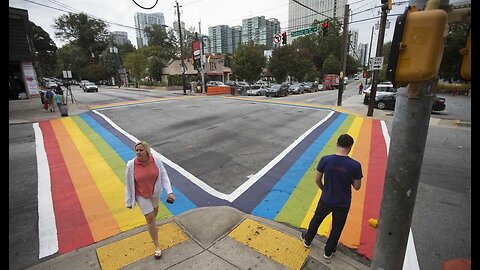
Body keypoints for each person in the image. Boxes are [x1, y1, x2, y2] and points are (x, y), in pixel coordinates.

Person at [300, 134, 363, 259]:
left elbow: (317, 179)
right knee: (337, 226)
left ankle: (307, 240)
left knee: (317, 219)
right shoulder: (355, 165)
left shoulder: (325, 160)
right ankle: (328, 251)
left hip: (326, 198)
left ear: (337, 144)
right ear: (350, 147)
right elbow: (357, 186)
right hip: (343, 202)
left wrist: (325, 189)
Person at [125, 141, 176, 259]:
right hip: (141, 195)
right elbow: (128, 184)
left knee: (155, 211)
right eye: (136, 150)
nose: (138, 152)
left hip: (155, 192)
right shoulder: (131, 165)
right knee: (150, 218)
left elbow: (164, 176)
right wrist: (128, 201)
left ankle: (152, 226)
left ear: (147, 151)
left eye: (141, 150)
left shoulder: (156, 160)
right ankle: (157, 246)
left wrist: (170, 192)